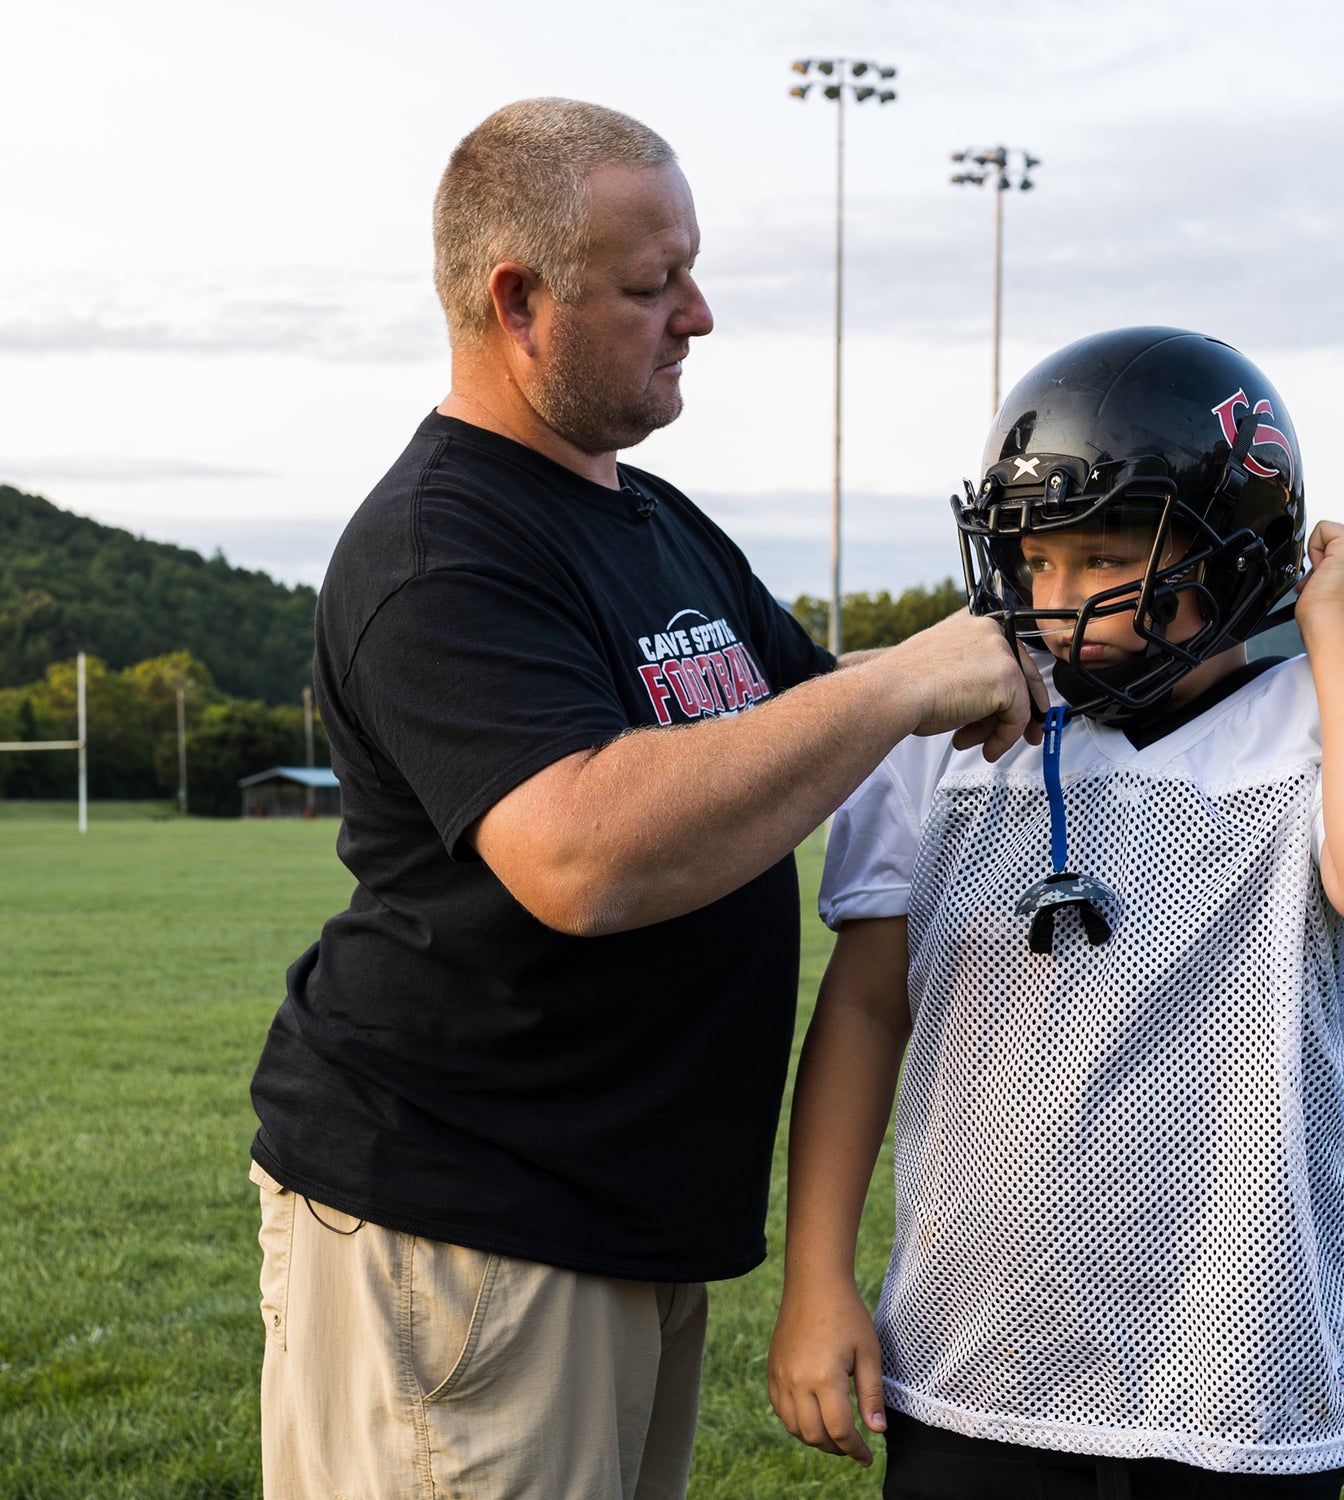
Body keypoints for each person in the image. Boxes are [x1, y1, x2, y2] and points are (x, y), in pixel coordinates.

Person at [246, 97, 1041, 1500]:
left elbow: (810, 712)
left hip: (615, 1219)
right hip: (468, 1230)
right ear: (518, 302)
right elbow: (581, 855)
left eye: (692, 271)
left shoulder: (654, 519)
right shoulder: (439, 547)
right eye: (651, 283)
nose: (699, 314)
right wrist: (909, 681)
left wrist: (1050, 649)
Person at [767, 326, 1344, 1499]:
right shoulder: (947, 731)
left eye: (1105, 556)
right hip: (978, 1355)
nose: (1060, 605)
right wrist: (816, 1279)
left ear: (1239, 551)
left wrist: (1339, 630)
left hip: (1243, 1364)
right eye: (1035, 561)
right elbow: (863, 1009)